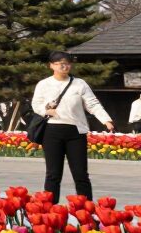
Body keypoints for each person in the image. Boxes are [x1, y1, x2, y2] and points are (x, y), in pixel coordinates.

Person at [31, 50, 114, 200]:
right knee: (53, 174)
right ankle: (50, 210)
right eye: (61, 64)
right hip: (52, 131)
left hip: (75, 132)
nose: (65, 66)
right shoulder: (44, 84)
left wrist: (106, 120)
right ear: (52, 65)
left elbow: (92, 104)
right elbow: (36, 104)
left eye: (68, 63)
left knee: (81, 173)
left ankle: (86, 208)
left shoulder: (79, 83)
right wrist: (47, 110)